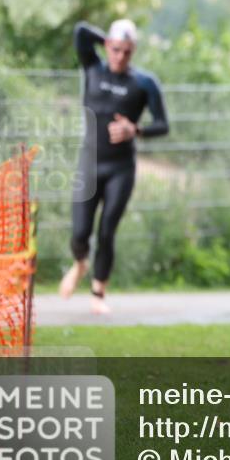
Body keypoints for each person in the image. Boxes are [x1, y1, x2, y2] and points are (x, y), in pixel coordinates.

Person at [58, 19, 169, 314]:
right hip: (90, 163)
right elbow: (80, 31)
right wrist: (109, 37)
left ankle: (98, 293)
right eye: (116, 49)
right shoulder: (92, 68)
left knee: (107, 230)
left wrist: (136, 130)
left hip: (121, 168)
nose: (120, 57)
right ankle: (80, 263)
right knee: (80, 232)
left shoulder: (144, 83)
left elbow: (163, 124)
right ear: (107, 46)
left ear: (134, 52)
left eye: (127, 52)